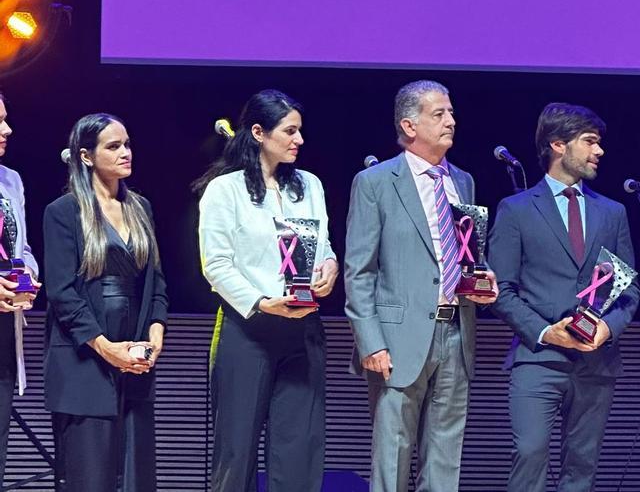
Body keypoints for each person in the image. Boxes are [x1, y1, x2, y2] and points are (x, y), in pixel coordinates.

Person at [344, 80, 496, 492]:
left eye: (451, 112)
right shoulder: (376, 182)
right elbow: (359, 271)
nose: (451, 120)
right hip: (397, 339)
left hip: (455, 331)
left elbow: (464, 253)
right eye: (439, 114)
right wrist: (370, 342)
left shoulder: (462, 180)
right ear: (409, 126)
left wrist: (481, 280)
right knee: (392, 455)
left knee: (445, 455)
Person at [488, 103, 640, 491]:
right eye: (590, 142)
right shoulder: (517, 209)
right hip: (538, 358)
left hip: (596, 363)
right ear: (558, 144)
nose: (599, 151)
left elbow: (629, 287)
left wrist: (607, 329)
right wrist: (545, 333)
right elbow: (500, 290)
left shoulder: (613, 213)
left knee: (581, 467)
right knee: (529, 454)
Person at [195, 89, 337, 492]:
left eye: (300, 131)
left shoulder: (309, 185)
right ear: (259, 132)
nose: (300, 140)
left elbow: (321, 244)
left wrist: (329, 266)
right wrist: (261, 303)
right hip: (248, 330)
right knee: (236, 452)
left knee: (298, 451)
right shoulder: (226, 190)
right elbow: (216, 265)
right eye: (290, 131)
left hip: (303, 330)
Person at [43, 113, 168, 491]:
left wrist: (155, 336)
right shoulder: (63, 212)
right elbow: (62, 293)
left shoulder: (140, 208)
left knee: (136, 478)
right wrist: (104, 347)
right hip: (86, 361)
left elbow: (156, 283)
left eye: (127, 144)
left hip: (134, 359)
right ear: (86, 156)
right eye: (113, 146)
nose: (125, 152)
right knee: (90, 479)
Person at [0, 92, 39, 478]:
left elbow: (21, 246)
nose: (7, 128)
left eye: (6, 118)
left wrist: (26, 277)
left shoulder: (10, 180)